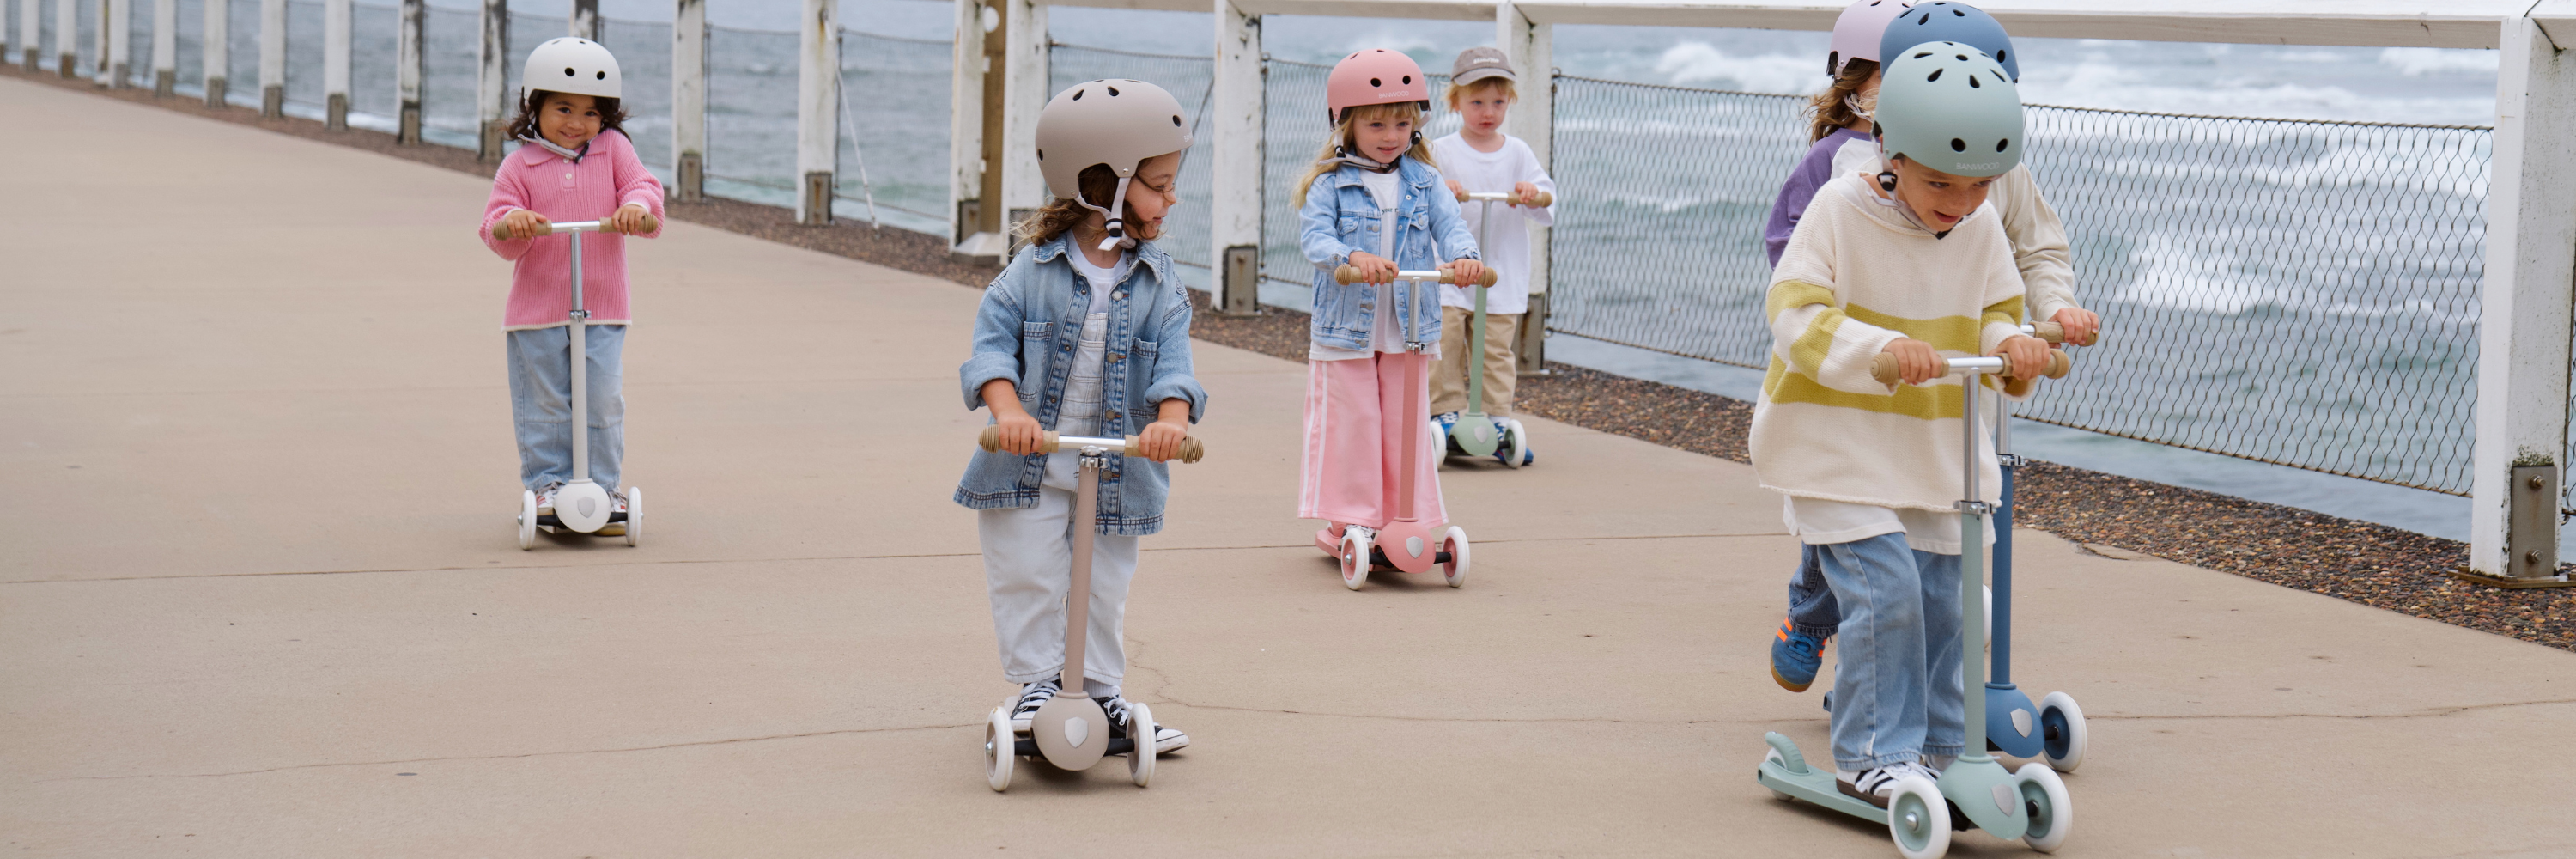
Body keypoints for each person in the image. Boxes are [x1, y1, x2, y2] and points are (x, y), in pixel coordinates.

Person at [1765, 0, 2104, 697]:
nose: (1966, 195)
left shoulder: (1993, 172)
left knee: (1937, 570)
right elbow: (1795, 268)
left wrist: (2047, 316)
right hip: (1868, 373)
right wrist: (1860, 334)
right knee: (1865, 552)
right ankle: (1822, 626)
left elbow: (2034, 251)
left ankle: (1913, 703)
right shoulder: (1844, 177)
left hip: (1953, 382)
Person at [1749, 42, 2047, 802]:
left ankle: (1945, 750)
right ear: (1890, 150)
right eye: (1940, 181)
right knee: (1887, 595)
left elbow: (1996, 311)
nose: (1962, 200)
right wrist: (1877, 348)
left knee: (1948, 603)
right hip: (1837, 443)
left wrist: (2013, 348)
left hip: (1930, 448)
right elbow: (1793, 311)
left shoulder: (1978, 227)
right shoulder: (1839, 209)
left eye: (1981, 184)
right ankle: (1872, 755)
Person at [957, 79, 1202, 755]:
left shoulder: (1160, 281)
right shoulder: (1029, 272)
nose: (1171, 197)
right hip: (1028, 458)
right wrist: (1006, 412)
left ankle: (1099, 693)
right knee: (1028, 573)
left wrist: (1172, 421)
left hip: (1117, 463)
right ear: (1105, 187)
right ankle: (1038, 685)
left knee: (1102, 587)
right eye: (1159, 184)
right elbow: (989, 353)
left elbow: (1176, 367)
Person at [1293, 49, 1485, 559]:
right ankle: (1353, 520)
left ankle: (1414, 515)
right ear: (1345, 124)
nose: (1391, 135)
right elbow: (1315, 238)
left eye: (1402, 123)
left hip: (1409, 326)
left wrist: (1465, 258)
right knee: (1353, 426)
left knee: (1405, 428)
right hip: (1345, 330)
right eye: (1376, 124)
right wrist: (1350, 254)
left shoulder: (1425, 181)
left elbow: (1451, 227)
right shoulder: (1330, 183)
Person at [479, 37, 663, 532]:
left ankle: (603, 488)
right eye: (562, 107)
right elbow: (495, 223)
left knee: (601, 397)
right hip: (536, 309)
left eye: (590, 112)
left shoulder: (614, 150)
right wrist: (513, 222)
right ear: (533, 104)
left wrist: (637, 210)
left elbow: (643, 188)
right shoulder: (519, 165)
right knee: (546, 402)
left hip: (601, 303)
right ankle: (549, 485)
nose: (576, 122)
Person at [1428, 46, 1556, 466]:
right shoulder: (1443, 150)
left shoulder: (1516, 151)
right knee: (1445, 342)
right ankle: (1443, 415)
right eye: (1477, 102)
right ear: (1456, 102)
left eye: (1498, 102)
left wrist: (1531, 193)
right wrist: (1442, 187)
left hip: (1501, 271)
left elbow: (1545, 199)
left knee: (1496, 350)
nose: (1488, 112)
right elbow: (1420, 190)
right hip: (1450, 272)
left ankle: (1497, 421)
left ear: (1509, 103)